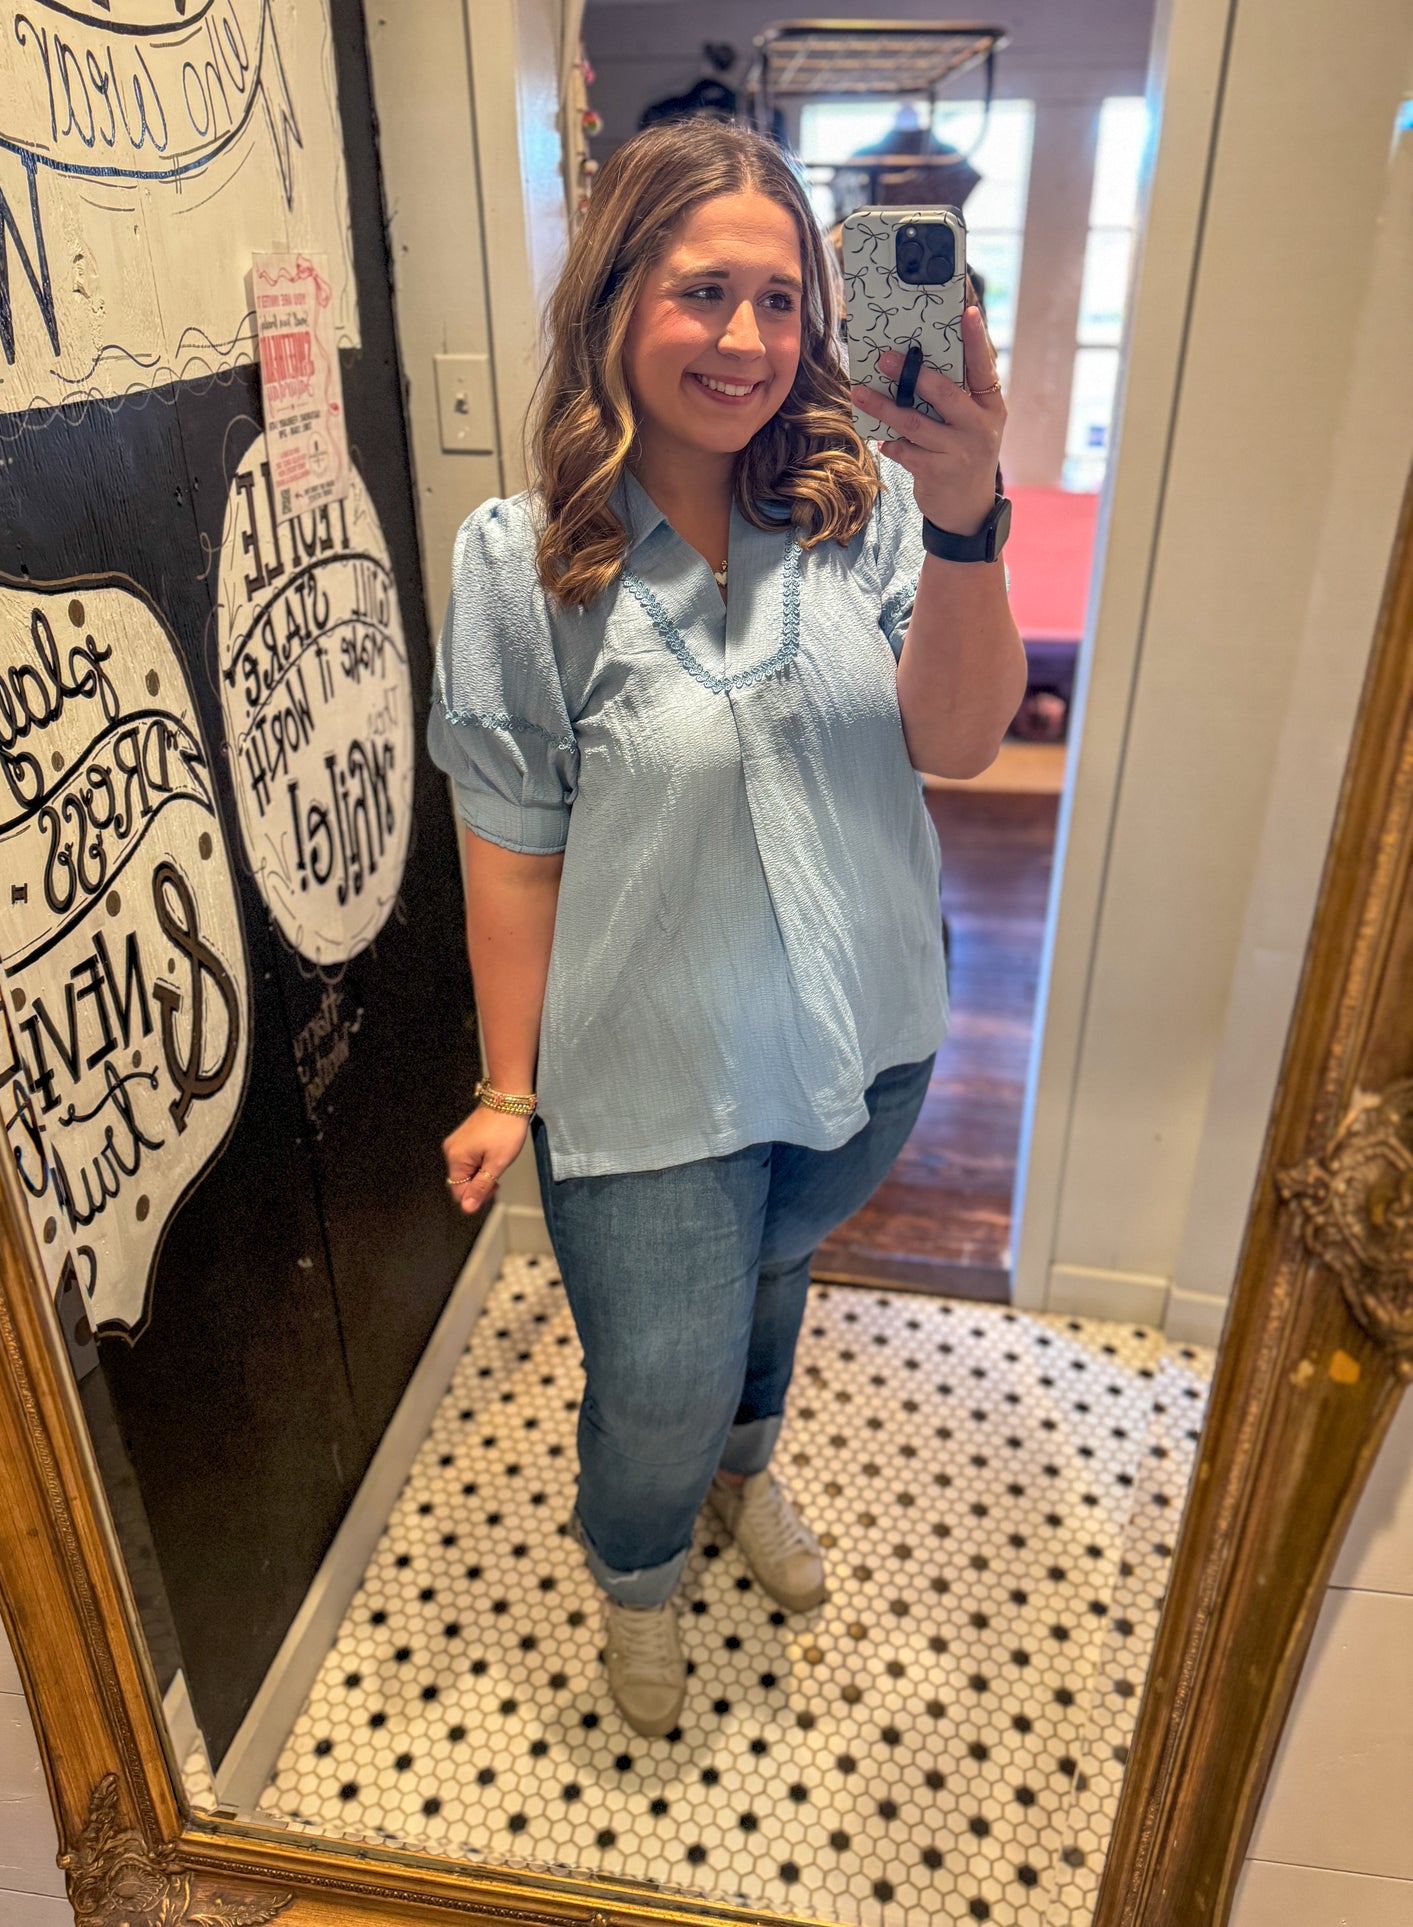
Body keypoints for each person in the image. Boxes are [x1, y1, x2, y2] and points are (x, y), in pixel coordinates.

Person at [428, 121, 1025, 1737]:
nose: (750, 342)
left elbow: (959, 741)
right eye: (705, 293)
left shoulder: (869, 512)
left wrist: (968, 513)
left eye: (782, 299)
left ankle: (745, 1476)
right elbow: (512, 846)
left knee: (775, 1286)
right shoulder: (523, 558)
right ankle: (637, 1568)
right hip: (644, 1080)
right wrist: (504, 1085)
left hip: (865, 1036)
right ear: (619, 300)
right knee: (654, 1386)